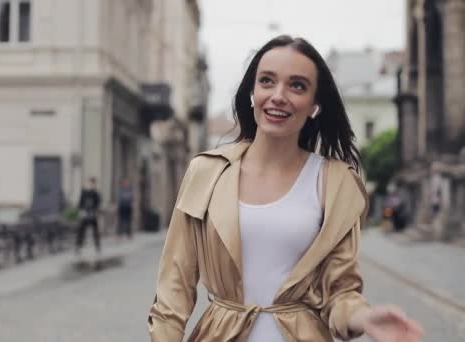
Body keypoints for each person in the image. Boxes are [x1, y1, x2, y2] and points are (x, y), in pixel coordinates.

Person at [148, 35, 423, 342]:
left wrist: (365, 317)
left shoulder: (335, 183)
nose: (278, 95)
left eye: (297, 86)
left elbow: (339, 293)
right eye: (267, 81)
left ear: (315, 104)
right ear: (253, 92)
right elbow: (174, 288)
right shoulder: (208, 172)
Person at [76, 177, 102, 254]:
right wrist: (81, 211)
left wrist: (96, 211)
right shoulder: (84, 192)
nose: (91, 185)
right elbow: (80, 203)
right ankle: (78, 246)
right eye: (90, 183)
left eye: (93, 183)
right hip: (85, 214)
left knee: (95, 231)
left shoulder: (95, 193)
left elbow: (98, 203)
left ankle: (98, 246)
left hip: (92, 214)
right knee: (81, 231)